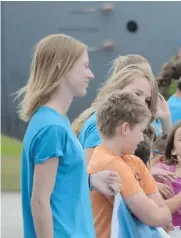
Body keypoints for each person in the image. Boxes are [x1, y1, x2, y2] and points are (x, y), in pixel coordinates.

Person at [16, 34, 121, 238]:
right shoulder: (52, 127)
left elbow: (58, 181)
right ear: (60, 66)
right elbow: (39, 200)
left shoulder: (56, 121)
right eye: (85, 66)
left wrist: (91, 181)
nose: (90, 74)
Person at [87, 91, 172, 238]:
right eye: (140, 131)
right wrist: (160, 213)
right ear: (125, 128)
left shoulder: (134, 161)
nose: (141, 138)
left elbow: (162, 213)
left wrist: (160, 213)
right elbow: (155, 216)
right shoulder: (112, 164)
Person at [72, 54, 171, 164]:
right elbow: (90, 173)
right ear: (118, 88)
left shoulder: (126, 125)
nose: (142, 103)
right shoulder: (101, 123)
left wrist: (166, 120)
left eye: (147, 100)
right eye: (137, 93)